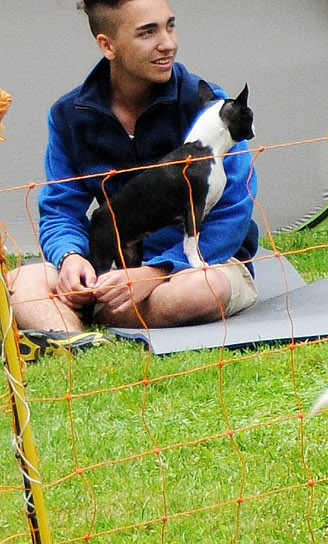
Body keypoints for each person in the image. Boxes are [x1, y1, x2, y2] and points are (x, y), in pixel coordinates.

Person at [2, 0, 258, 357]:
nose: (168, 43)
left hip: (194, 267)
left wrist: (157, 271)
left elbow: (233, 213)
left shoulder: (211, 105)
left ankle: (76, 321)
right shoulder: (68, 114)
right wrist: (70, 257)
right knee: (21, 282)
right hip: (110, 267)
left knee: (202, 291)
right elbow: (60, 210)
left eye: (170, 26)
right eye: (148, 32)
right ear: (107, 45)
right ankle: (83, 342)